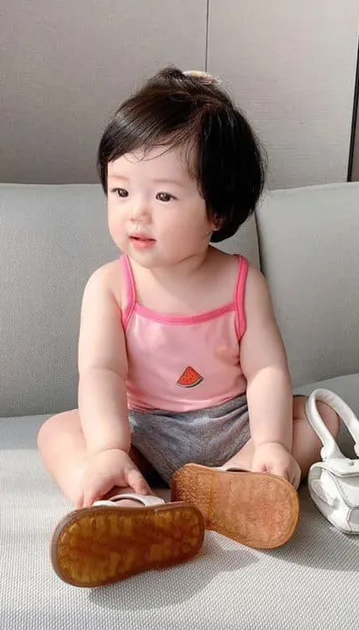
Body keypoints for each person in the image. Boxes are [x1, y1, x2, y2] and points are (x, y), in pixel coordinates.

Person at [37, 67, 339, 588]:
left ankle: (237, 481)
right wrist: (109, 448)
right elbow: (102, 373)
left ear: (217, 211)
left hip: (233, 426)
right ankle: (123, 501)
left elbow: (266, 371)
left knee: (322, 417)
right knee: (58, 431)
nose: (136, 214)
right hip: (141, 431)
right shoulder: (110, 286)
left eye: (163, 197)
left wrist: (270, 441)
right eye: (121, 191)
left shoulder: (243, 283)